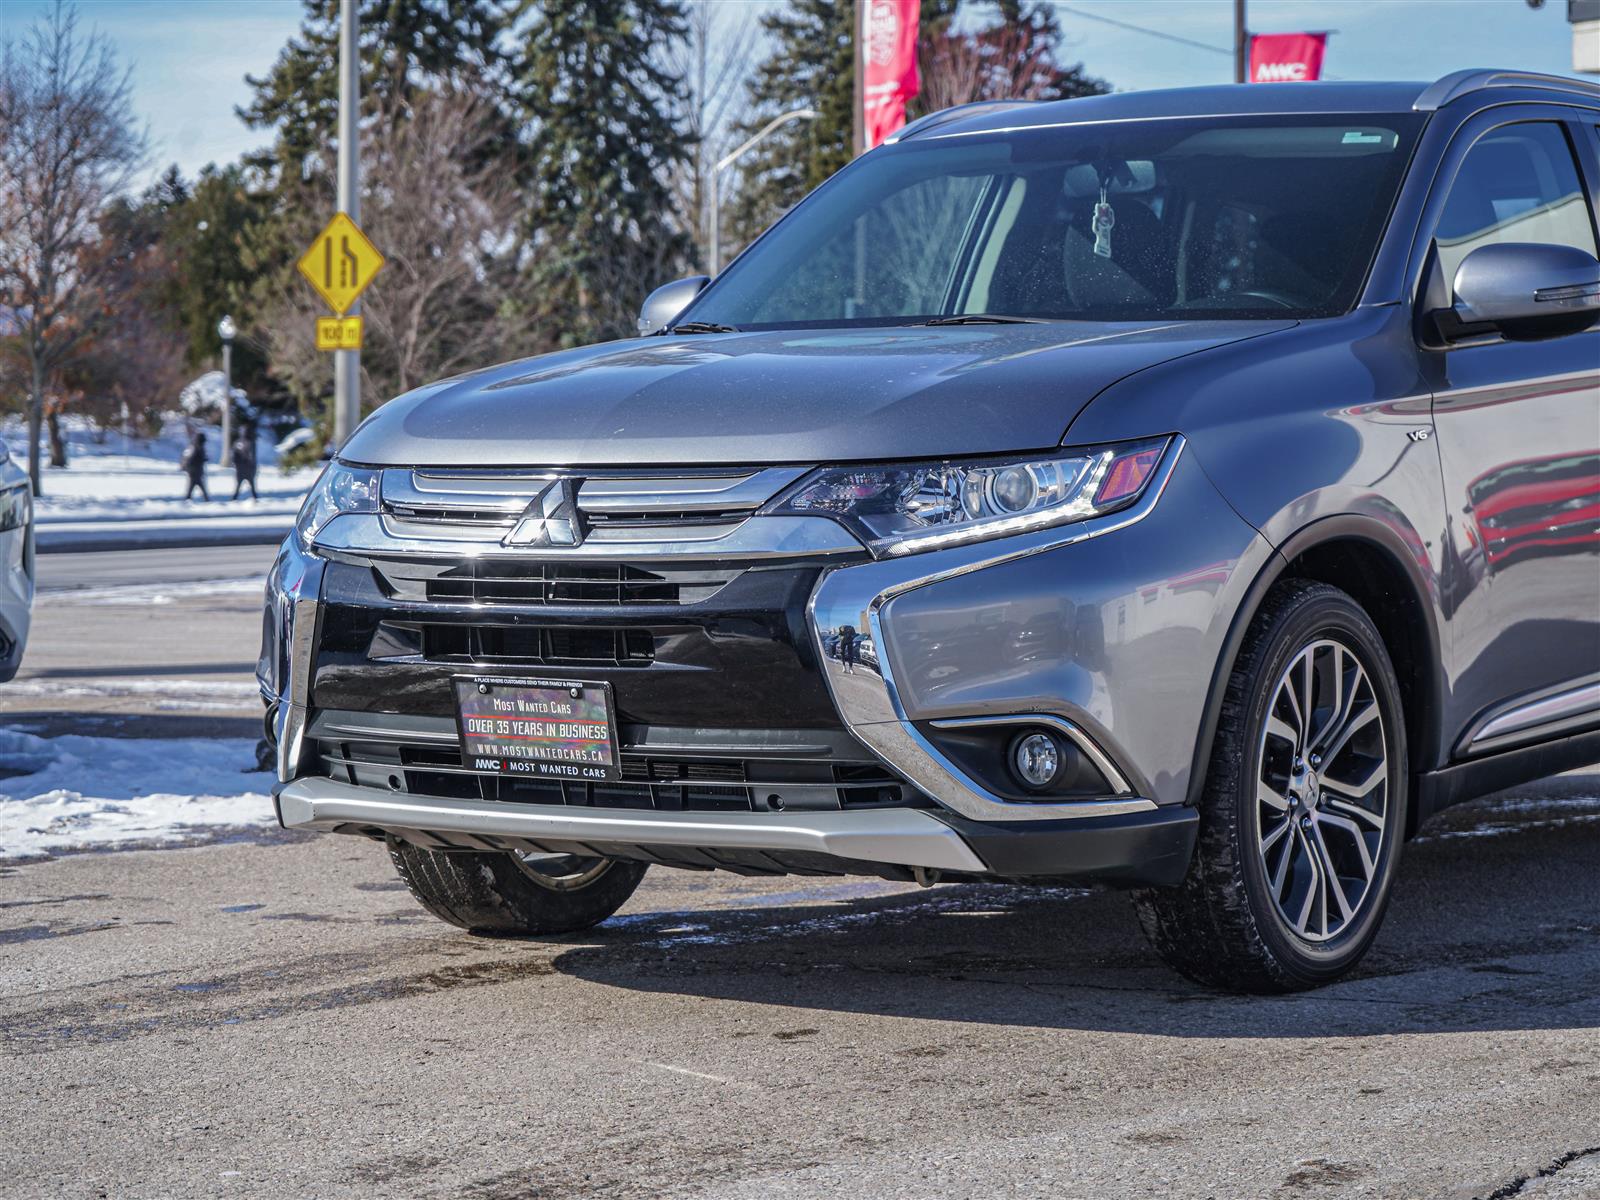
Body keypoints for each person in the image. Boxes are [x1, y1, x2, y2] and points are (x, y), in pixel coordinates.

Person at [181, 432, 209, 501]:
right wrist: (203, 459)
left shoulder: (194, 446)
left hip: (195, 471)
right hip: (195, 471)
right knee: (196, 485)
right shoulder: (196, 447)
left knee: (194, 486)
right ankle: (206, 499)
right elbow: (193, 459)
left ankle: (189, 499)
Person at [231, 425, 258, 500]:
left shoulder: (251, 442)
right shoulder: (238, 442)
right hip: (241, 468)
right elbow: (234, 454)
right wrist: (235, 463)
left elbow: (252, 456)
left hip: (247, 468)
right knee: (240, 484)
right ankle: (235, 497)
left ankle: (254, 497)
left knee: (251, 485)